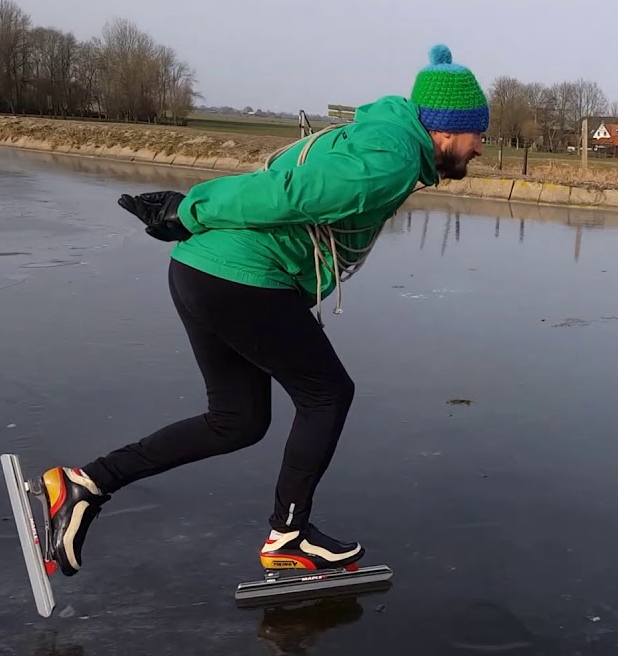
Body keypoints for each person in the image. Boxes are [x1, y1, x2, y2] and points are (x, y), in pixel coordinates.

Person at [37, 44, 487, 578]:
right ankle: (289, 537)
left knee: (238, 419)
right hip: (239, 278)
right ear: (447, 130)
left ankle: (83, 485)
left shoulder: (382, 137)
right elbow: (287, 193)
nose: (480, 147)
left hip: (203, 271)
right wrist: (192, 207)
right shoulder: (389, 158)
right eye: (477, 133)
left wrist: (192, 216)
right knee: (327, 394)